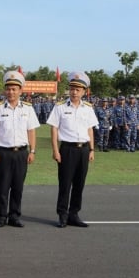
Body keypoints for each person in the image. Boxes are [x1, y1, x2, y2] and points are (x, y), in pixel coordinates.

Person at [0, 71, 40, 228]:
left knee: (18, 186)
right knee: (3, 187)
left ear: (20, 91)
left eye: (14, 89)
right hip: (3, 152)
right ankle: (1, 216)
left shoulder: (28, 109)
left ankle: (14, 216)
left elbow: (31, 131)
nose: (10, 92)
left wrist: (32, 151)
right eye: (8, 89)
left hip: (22, 152)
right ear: (5, 90)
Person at [47, 72, 99, 228]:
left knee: (79, 184)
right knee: (65, 183)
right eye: (72, 89)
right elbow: (54, 129)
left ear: (84, 91)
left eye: (78, 89)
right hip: (67, 149)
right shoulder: (60, 107)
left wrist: (91, 149)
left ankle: (74, 214)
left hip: (83, 149)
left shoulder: (88, 108)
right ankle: (62, 215)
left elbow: (90, 129)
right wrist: (56, 150)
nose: (74, 92)